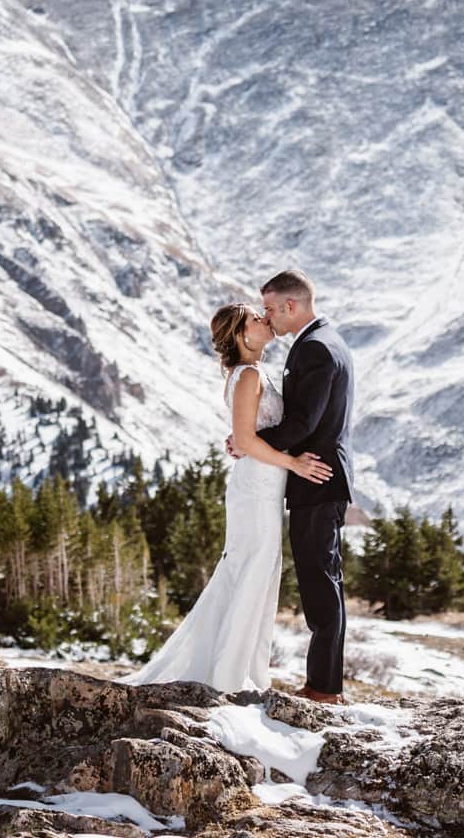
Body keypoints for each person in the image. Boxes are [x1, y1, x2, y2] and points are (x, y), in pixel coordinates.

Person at [118, 303, 331, 691]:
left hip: (264, 484)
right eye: (254, 318)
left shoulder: (251, 372)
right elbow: (247, 439)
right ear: (240, 335)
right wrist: (294, 463)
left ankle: (242, 670)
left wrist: (252, 448)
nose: (264, 320)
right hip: (256, 488)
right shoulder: (248, 375)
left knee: (256, 572)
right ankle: (230, 677)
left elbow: (247, 437)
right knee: (252, 571)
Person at [229, 269, 355, 705]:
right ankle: (324, 683)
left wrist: (249, 442)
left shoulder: (317, 349)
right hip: (312, 479)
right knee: (321, 579)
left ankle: (323, 688)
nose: (267, 317)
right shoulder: (320, 341)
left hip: (316, 478)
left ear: (291, 306)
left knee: (320, 582)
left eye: (269, 309)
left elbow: (305, 422)